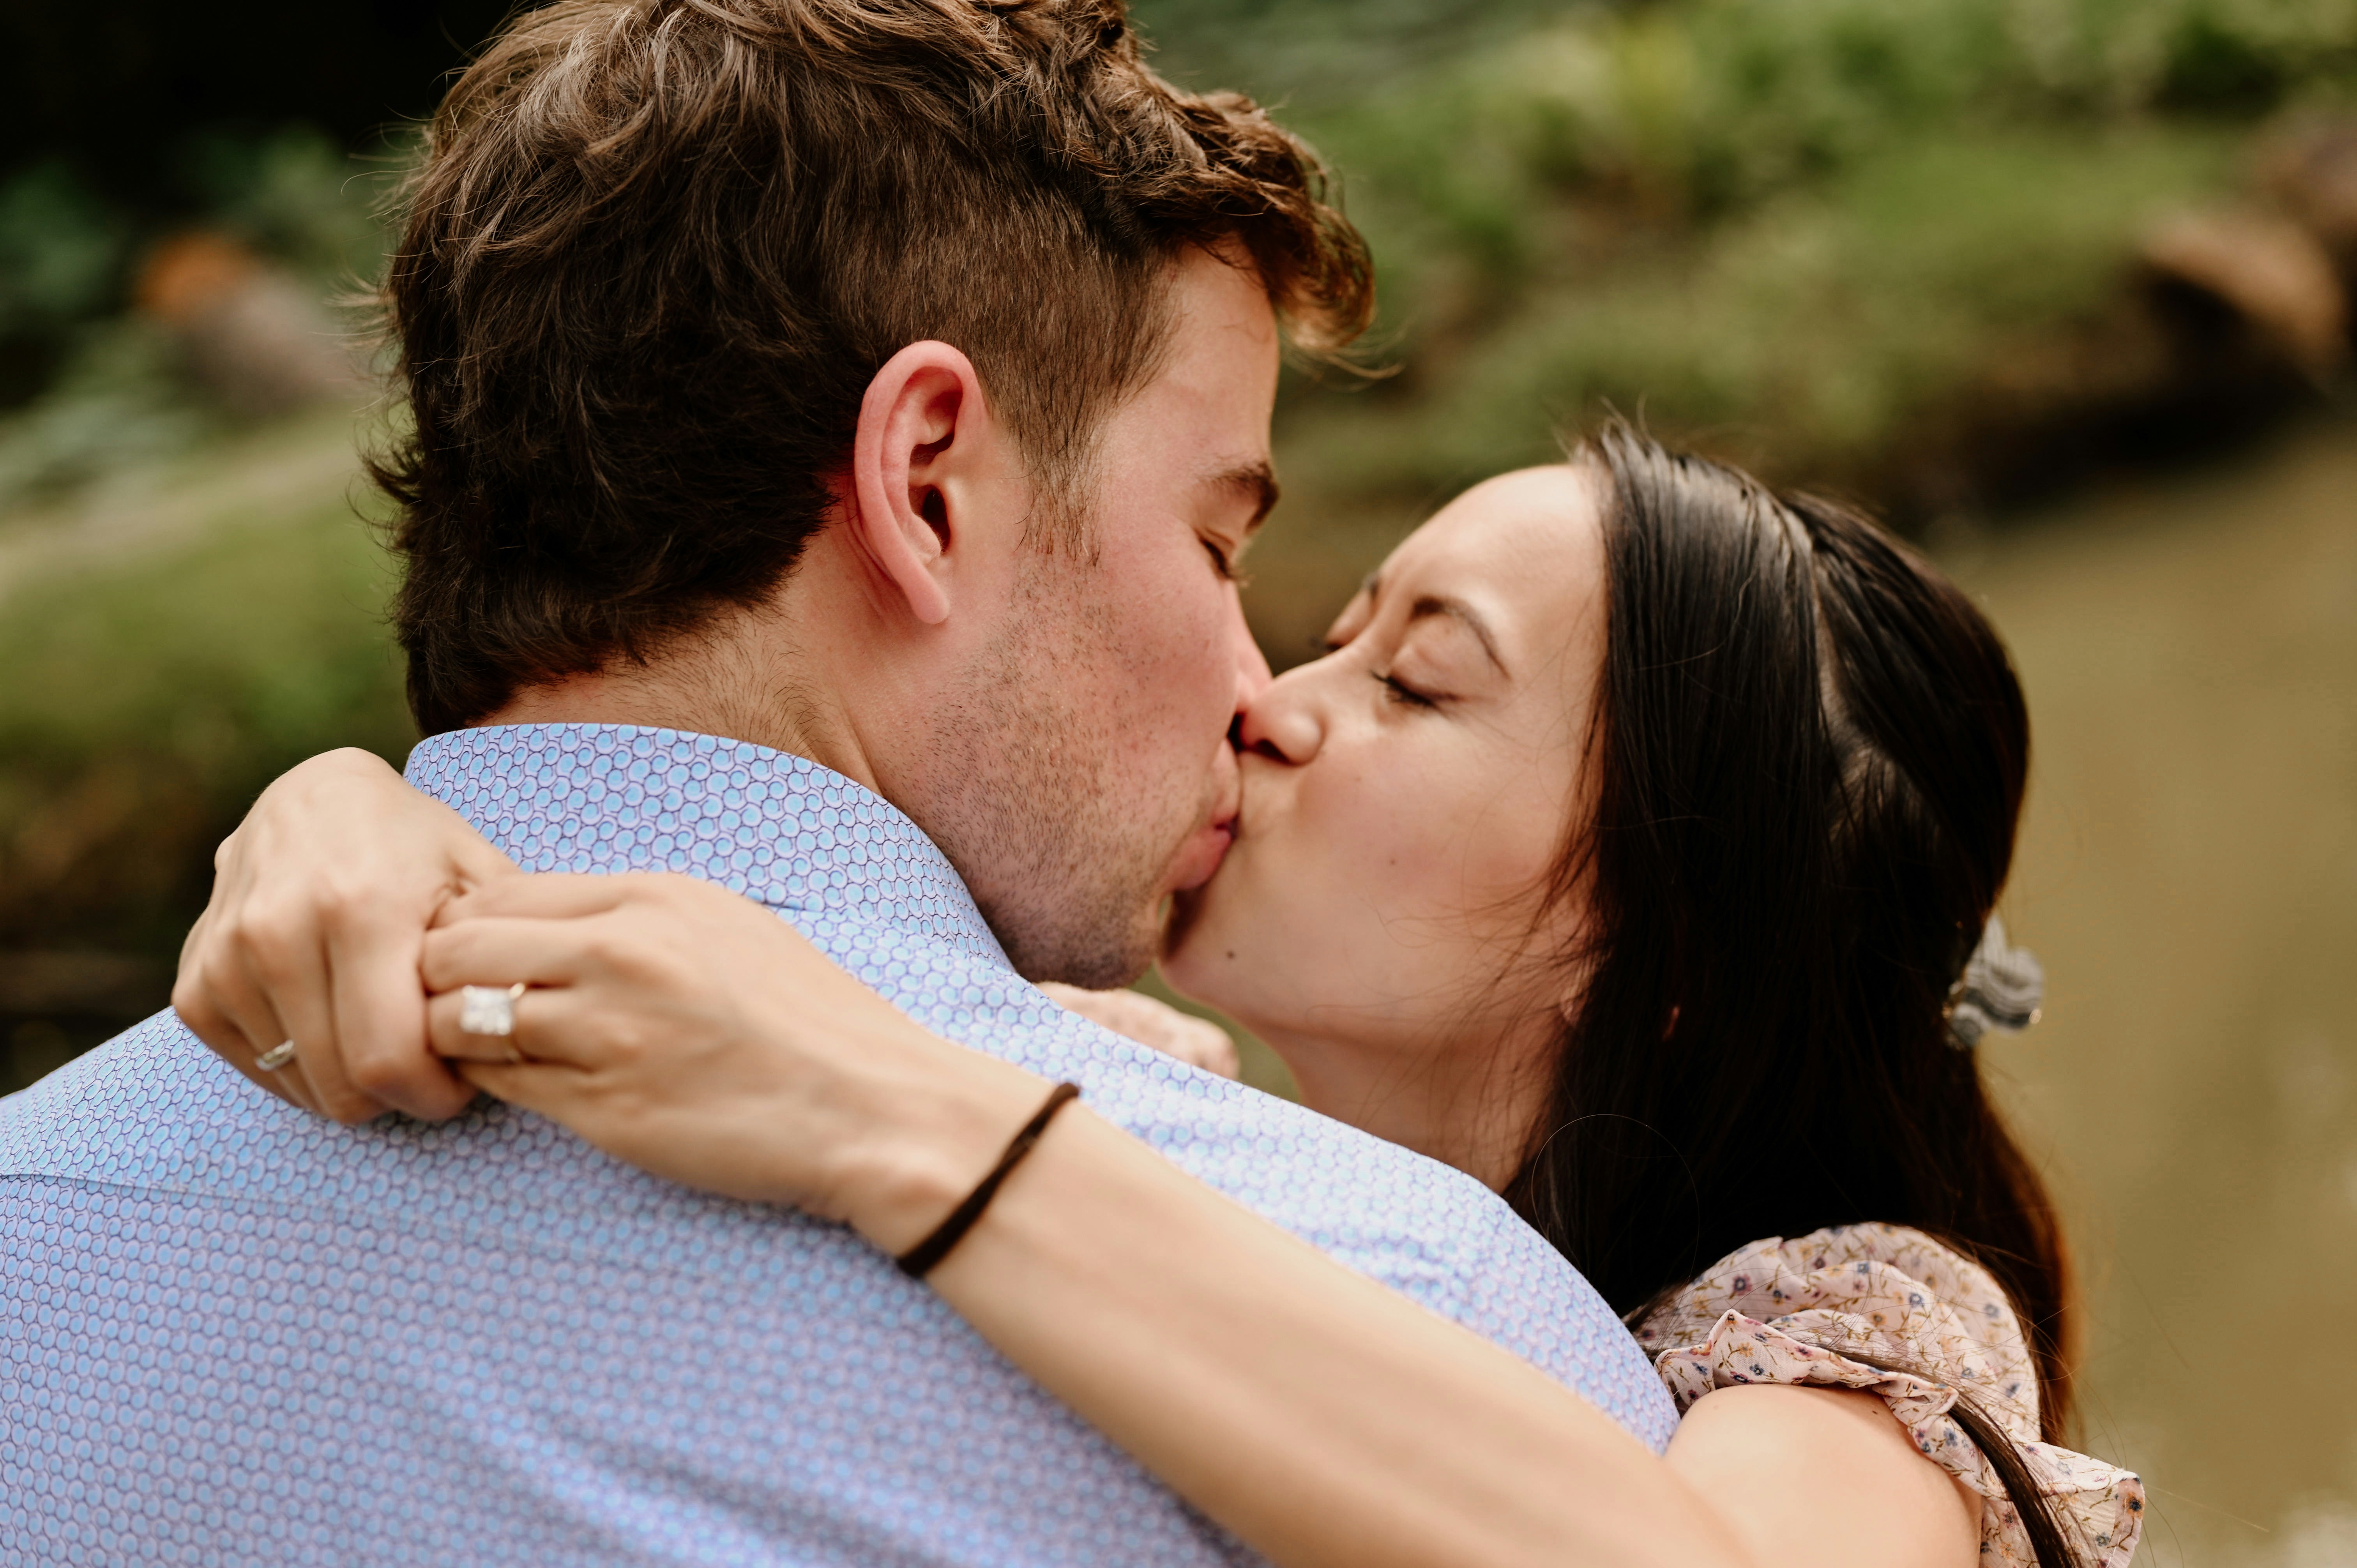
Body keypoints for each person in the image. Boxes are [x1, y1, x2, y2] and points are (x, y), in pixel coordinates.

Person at [0, 3, 1678, 1563]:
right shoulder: (1424, 1353)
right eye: (1215, 539)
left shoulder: (37, 1210)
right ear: (925, 485)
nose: (1257, 691)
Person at [172, 432, 2146, 1568]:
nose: (1269, 698)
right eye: (1336, 629)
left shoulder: (1866, 1325)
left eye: (1418, 681)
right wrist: (352, 816)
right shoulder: (1172, 1119)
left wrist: (893, 1117)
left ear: (1674, 945)